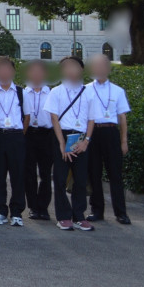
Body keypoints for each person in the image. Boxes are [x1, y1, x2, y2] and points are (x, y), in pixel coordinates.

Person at [48, 56, 102, 231]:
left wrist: (87, 141)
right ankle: (63, 216)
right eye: (66, 67)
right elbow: (54, 118)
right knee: (60, 178)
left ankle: (79, 215)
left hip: (81, 138)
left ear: (81, 69)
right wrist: (61, 143)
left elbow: (92, 119)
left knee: (80, 179)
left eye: (75, 67)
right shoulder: (56, 91)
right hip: (61, 136)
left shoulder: (89, 92)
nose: (71, 70)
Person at [86, 54, 132, 225]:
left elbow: (122, 118)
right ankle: (97, 210)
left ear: (108, 68)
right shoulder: (86, 90)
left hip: (111, 132)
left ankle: (121, 212)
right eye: (95, 66)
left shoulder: (118, 91)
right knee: (94, 173)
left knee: (115, 175)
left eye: (102, 66)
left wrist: (123, 141)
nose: (99, 69)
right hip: (93, 134)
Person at [0, 56, 29, 227]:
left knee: (18, 175)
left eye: (7, 69)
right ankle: (0, 210)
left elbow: (27, 116)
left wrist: (18, 133)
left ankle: (17, 211)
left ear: (12, 71)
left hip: (16, 136)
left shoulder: (21, 92)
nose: (4, 73)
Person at [23, 60, 54, 221]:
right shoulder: (22, 93)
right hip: (28, 134)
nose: (36, 75)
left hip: (46, 135)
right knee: (29, 174)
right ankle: (33, 207)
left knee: (46, 174)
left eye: (39, 71)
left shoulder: (52, 93)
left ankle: (44, 207)